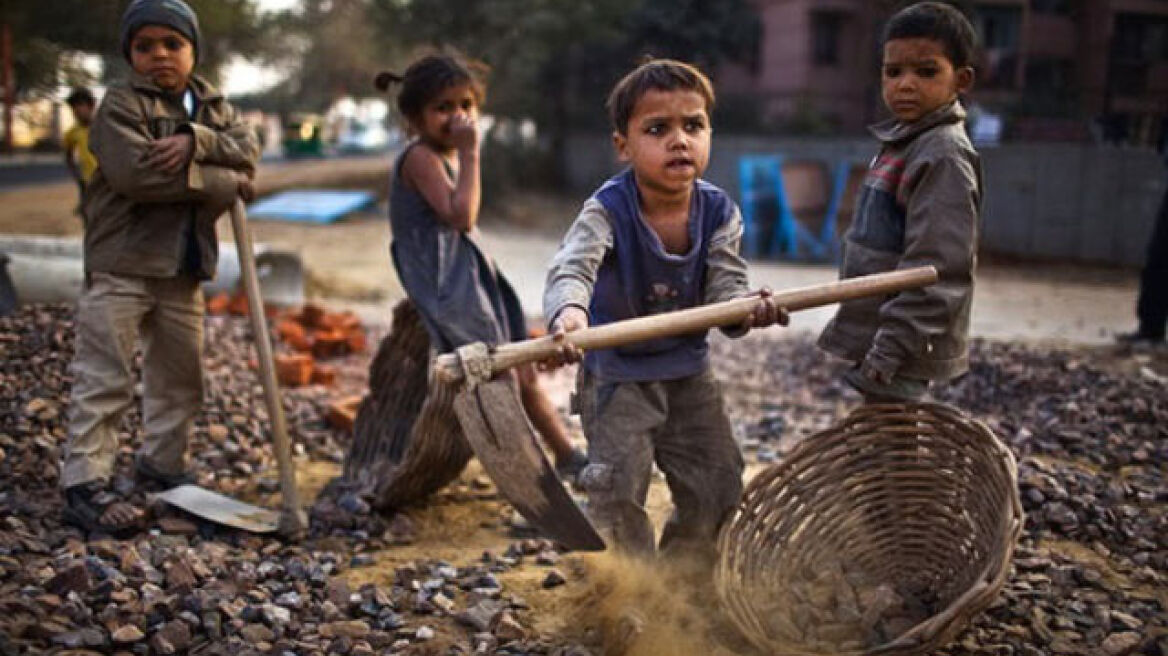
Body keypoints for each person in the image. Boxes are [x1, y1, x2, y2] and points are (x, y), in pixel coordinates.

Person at [543, 59, 786, 561]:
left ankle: (685, 578)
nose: (679, 140)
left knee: (717, 479)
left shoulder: (720, 211)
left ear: (709, 133)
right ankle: (629, 588)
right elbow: (573, 267)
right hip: (618, 378)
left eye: (693, 126)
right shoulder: (607, 210)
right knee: (617, 490)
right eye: (658, 129)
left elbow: (726, 285)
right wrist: (570, 313)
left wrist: (744, 309)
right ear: (623, 146)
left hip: (689, 375)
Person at [61, 0, 259, 536]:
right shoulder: (120, 106)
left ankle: (162, 465)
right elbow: (139, 177)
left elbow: (248, 149)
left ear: (194, 50)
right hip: (123, 263)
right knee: (105, 376)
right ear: (130, 55)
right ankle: (84, 483)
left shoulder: (213, 106)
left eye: (173, 44)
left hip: (184, 264)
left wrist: (197, 140)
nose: (160, 55)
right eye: (144, 46)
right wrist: (224, 181)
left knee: (179, 377)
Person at [375, 53, 587, 478]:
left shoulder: (445, 154)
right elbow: (462, 216)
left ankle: (565, 454)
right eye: (443, 107)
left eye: (466, 105)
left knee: (520, 368)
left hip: (470, 277)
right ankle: (528, 470)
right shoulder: (421, 158)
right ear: (414, 119)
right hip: (448, 287)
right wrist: (472, 153)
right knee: (497, 377)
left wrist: (466, 155)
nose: (458, 117)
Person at [818, 1, 983, 403]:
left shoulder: (942, 154)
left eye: (926, 71)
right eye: (893, 72)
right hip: (883, 334)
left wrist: (892, 347)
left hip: (904, 346)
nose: (905, 84)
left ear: (961, 79)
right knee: (880, 432)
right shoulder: (904, 142)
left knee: (896, 434)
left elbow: (937, 269)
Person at [63, 87, 98, 214]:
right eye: (73, 107)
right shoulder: (72, 133)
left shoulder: (104, 126)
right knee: (89, 216)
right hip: (87, 183)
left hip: (107, 183)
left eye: (80, 105)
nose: (77, 110)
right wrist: (78, 178)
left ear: (91, 106)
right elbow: (68, 156)